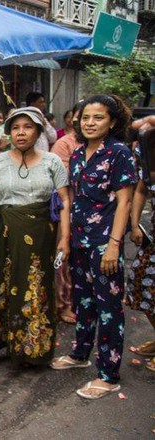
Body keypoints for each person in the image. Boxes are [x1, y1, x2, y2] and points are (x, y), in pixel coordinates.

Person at [0, 107, 70, 374]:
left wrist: (65, 239)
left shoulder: (52, 162)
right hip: (3, 233)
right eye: (16, 127)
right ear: (9, 132)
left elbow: (64, 203)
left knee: (34, 287)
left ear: (38, 131)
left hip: (39, 237)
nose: (21, 132)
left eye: (28, 127)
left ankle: (30, 347)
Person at [50, 94, 136, 399]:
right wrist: (68, 239)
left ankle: (108, 375)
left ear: (112, 122)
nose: (90, 123)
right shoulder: (76, 154)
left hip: (104, 243)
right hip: (80, 240)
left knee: (108, 309)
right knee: (83, 302)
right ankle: (80, 354)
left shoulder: (119, 153)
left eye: (98, 118)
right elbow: (71, 200)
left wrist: (114, 246)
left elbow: (124, 201)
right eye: (85, 117)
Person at [51, 101, 84, 325]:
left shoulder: (106, 147)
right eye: (83, 116)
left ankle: (82, 300)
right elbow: (61, 184)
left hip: (97, 215)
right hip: (69, 210)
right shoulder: (64, 145)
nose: (88, 122)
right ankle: (63, 303)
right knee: (64, 259)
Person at [126, 117, 155, 373]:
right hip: (153, 237)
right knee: (139, 281)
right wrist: (135, 225)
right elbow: (140, 190)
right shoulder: (147, 158)